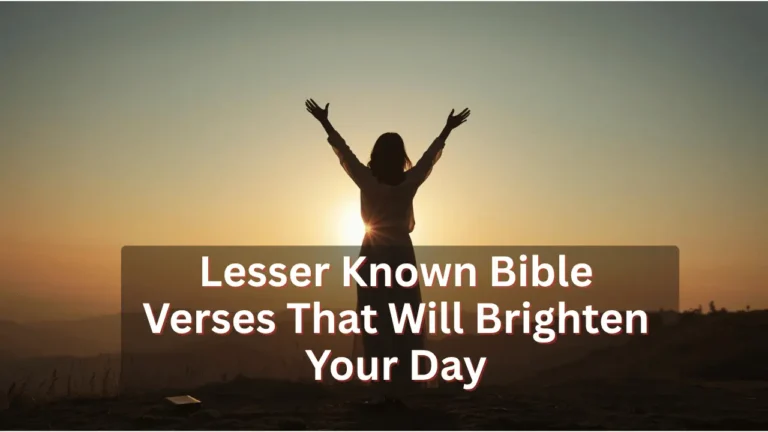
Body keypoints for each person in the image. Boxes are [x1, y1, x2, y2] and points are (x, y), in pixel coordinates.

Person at [305, 99, 470, 401]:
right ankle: (404, 383)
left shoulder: (368, 182)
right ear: (400, 157)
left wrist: (325, 122)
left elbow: (345, 153)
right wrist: (447, 129)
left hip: (372, 254)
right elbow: (428, 158)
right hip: (401, 256)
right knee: (404, 318)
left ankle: (382, 385)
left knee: (376, 319)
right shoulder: (408, 183)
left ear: (377, 156)